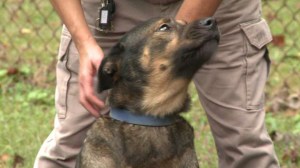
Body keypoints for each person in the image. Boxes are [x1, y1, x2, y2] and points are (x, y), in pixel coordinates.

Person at [34, 0, 280, 167]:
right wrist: (83, 42)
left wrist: (180, 37)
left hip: (219, 6)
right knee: (67, 149)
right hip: (109, 6)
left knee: (246, 148)